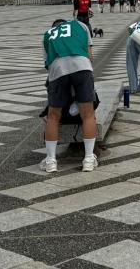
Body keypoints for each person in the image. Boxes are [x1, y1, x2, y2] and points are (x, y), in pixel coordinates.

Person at [41, 18, 98, 173]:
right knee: (88, 115)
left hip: (57, 70)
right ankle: (88, 159)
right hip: (81, 66)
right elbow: (90, 55)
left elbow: (48, 65)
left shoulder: (48, 34)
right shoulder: (80, 25)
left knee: (53, 116)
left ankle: (51, 161)